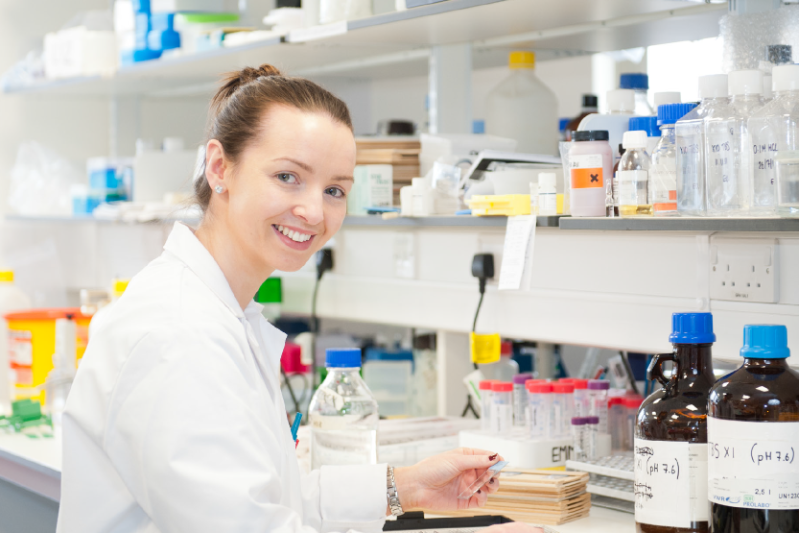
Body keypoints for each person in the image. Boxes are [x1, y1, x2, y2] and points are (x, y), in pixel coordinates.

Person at [56, 64, 542, 533]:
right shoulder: (178, 335)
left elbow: (271, 500)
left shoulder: (223, 314)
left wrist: (405, 486)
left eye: (334, 189)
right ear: (220, 166)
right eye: (288, 176)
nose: (313, 210)